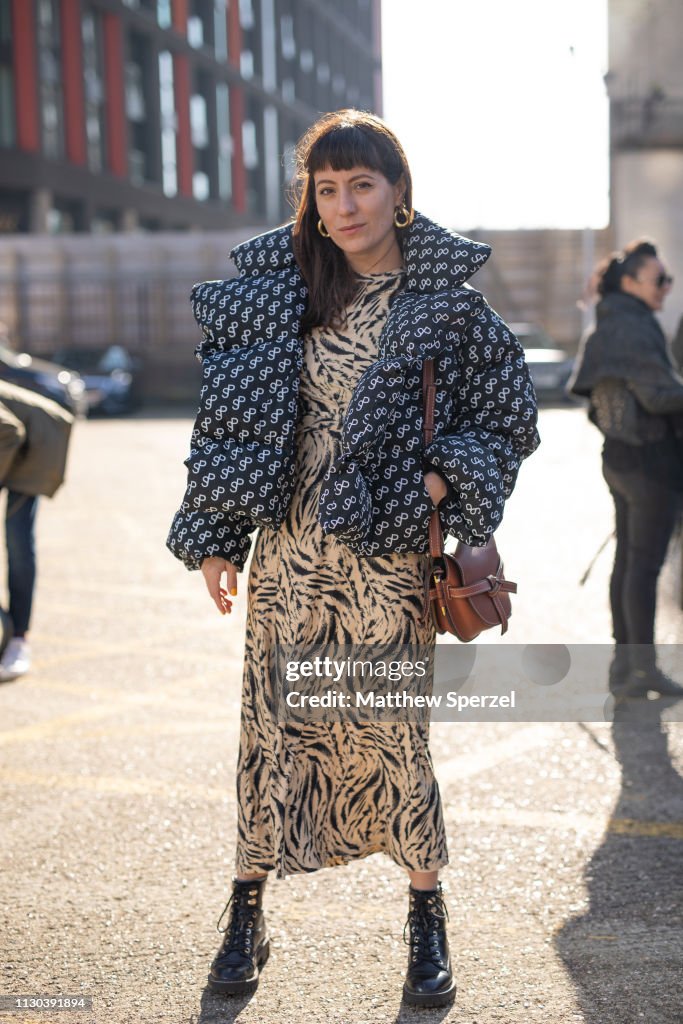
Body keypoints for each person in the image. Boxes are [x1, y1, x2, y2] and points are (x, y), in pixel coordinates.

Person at [168, 109, 539, 1007]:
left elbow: (506, 417)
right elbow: (232, 425)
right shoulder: (279, 292)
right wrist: (217, 534)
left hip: (384, 564)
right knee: (273, 732)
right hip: (290, 556)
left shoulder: (447, 305)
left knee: (392, 738)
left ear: (398, 191)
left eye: (361, 185)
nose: (343, 205)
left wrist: (444, 484)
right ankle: (246, 910)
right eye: (325, 188)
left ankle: (425, 916)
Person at [569, 239, 683, 698]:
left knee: (628, 564)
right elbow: (657, 396)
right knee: (643, 568)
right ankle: (641, 669)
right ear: (633, 282)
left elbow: (595, 404)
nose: (667, 288)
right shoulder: (633, 328)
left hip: (618, 459)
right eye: (660, 280)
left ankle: (624, 666)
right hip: (648, 461)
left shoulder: (609, 323)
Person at [0, 379, 74, 681]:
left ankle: (18, 641)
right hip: (16, 447)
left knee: (17, 542)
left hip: (37, 447)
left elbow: (9, 432)